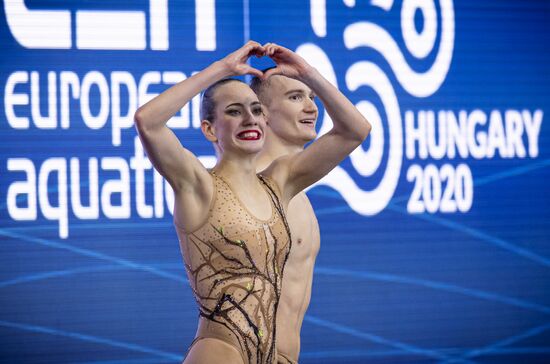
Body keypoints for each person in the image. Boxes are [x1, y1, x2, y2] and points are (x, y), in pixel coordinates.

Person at [134, 41, 371, 364]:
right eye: (234, 111)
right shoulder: (198, 184)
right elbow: (148, 120)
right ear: (209, 129)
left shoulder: (279, 183)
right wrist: (222, 69)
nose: (250, 118)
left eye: (256, 109)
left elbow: (354, 130)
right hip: (221, 353)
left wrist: (307, 73)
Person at [250, 72, 320, 364]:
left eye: (312, 97)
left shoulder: (295, 191)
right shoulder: (257, 187)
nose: (311, 107)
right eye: (295, 97)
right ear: (262, 114)